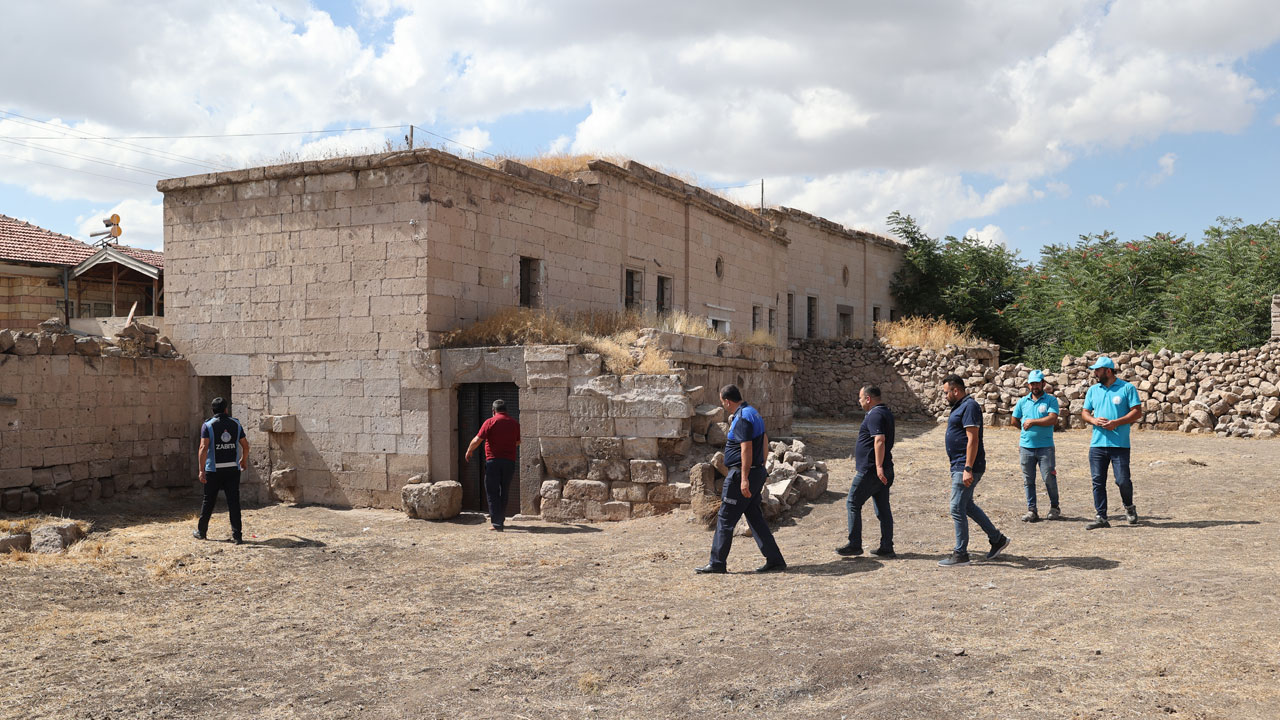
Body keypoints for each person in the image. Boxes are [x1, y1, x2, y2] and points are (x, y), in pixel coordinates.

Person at [695, 384, 787, 574]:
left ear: (728, 401)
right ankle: (775, 559)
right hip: (755, 472)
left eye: (723, 403)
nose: (724, 406)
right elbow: (764, 440)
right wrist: (760, 467)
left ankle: (717, 563)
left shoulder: (742, 418)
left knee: (725, 518)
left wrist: (744, 478)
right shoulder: (753, 413)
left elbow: (746, 448)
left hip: (740, 476)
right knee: (755, 518)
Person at [938, 375, 1010, 567]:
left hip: (966, 465)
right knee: (966, 505)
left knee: (956, 507)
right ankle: (997, 539)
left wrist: (967, 468)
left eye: (946, 392)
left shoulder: (969, 406)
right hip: (960, 464)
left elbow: (973, 439)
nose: (945, 396)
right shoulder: (961, 406)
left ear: (956, 390)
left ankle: (961, 554)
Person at [1080, 356, 1143, 529]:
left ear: (1108, 371)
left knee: (1122, 480)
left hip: (1119, 444)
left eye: (1098, 370)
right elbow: (1085, 413)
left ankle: (1129, 507)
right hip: (1097, 444)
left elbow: (1137, 412)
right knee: (1097, 481)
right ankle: (1101, 516)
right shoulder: (1093, 390)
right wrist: (1093, 421)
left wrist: (1116, 422)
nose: (1095, 373)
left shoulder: (1127, 388)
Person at [836, 385, 896, 558]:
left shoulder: (876, 414)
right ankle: (886, 546)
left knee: (853, 502)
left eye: (861, 398)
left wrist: (878, 467)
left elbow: (879, 440)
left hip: (871, 471)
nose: (859, 402)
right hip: (883, 469)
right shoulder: (885, 412)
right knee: (883, 509)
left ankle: (855, 544)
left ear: (868, 399)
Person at [194, 397, 249, 544]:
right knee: (234, 503)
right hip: (232, 469)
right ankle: (237, 536)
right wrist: (243, 460)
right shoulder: (236, 424)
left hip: (213, 470)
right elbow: (245, 445)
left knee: (208, 501)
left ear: (213, 410)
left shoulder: (208, 426)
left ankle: (202, 531)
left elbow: (203, 448)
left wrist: (201, 470)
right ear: (226, 409)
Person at [1010, 370, 1061, 522]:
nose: (1035, 386)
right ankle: (1032, 510)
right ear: (1028, 385)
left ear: (1043, 384)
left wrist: (1032, 422)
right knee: (1028, 480)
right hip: (1026, 447)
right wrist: (1025, 433)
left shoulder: (1050, 401)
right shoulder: (1023, 402)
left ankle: (1054, 507)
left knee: (1048, 477)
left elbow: (1052, 419)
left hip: (1045, 447)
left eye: (1037, 383)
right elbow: (1014, 420)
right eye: (1032, 384)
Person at [464, 399, 521, 531]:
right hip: (509, 462)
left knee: (492, 491)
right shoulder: (514, 423)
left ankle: (497, 523)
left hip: (493, 461)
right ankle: (500, 520)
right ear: (506, 410)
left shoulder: (490, 422)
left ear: (493, 411)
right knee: (504, 490)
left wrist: (469, 450)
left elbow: (478, 439)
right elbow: (518, 442)